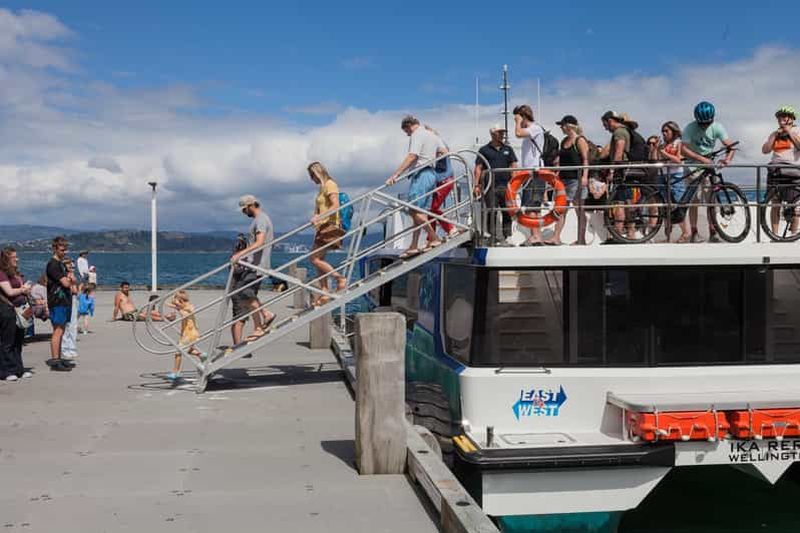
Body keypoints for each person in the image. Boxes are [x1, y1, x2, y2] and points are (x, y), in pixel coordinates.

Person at [385, 115, 443, 258]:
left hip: (421, 174)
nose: (407, 135)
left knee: (413, 210)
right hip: (431, 174)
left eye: (407, 131)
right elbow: (444, 151)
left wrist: (396, 175)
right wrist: (430, 156)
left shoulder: (417, 134)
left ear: (409, 126)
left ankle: (434, 237)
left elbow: (412, 156)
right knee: (420, 213)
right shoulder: (432, 135)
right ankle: (414, 244)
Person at [681, 101, 737, 242]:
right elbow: (683, 149)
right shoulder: (690, 127)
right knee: (693, 201)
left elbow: (731, 146)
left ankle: (713, 231)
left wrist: (727, 159)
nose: (704, 126)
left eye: (707, 123)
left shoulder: (717, 127)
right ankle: (694, 232)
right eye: (702, 123)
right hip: (692, 166)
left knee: (711, 200)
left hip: (708, 167)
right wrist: (701, 159)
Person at [230, 194, 276, 345]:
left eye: (244, 210)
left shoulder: (261, 219)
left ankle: (266, 314)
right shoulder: (259, 219)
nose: (244, 213)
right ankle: (258, 327)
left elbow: (259, 242)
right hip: (253, 264)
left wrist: (239, 254)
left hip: (257, 266)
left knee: (244, 292)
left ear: (251, 206)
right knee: (248, 295)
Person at [307, 162, 347, 307]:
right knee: (319, 261)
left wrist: (319, 216)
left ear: (318, 173)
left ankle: (339, 278)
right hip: (322, 227)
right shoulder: (322, 188)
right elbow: (321, 207)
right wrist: (316, 216)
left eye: (312, 175)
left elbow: (335, 205)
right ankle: (324, 291)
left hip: (329, 226)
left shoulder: (330, 184)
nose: (311, 179)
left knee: (314, 258)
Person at [474, 124, 519, 244]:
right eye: (500, 132)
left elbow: (514, 165)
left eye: (503, 133)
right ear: (493, 134)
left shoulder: (508, 149)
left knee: (507, 211)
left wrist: (515, 183)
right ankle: (492, 237)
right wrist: (476, 185)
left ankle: (507, 236)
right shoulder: (483, 150)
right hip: (490, 186)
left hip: (506, 185)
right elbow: (478, 168)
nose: (502, 135)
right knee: (491, 210)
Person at [761, 105, 800, 237]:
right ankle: (775, 235)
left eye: (784, 116)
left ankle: (793, 235)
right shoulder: (774, 133)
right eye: (779, 117)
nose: (781, 119)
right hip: (776, 171)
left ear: (791, 118)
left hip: (792, 171)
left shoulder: (797, 130)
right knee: (775, 203)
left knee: (794, 204)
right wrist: (774, 136)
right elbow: (765, 150)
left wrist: (789, 131)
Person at [553, 115, 590, 245]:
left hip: (576, 179)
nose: (561, 128)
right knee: (561, 210)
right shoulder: (564, 141)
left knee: (579, 210)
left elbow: (585, 159)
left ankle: (581, 239)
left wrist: (585, 177)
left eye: (562, 125)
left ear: (569, 126)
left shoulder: (580, 140)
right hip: (563, 180)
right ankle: (556, 237)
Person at [513, 104, 547, 246]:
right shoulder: (531, 130)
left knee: (532, 205)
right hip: (530, 173)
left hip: (535, 172)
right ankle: (536, 235)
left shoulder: (535, 128)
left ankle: (535, 236)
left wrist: (517, 121)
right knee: (533, 206)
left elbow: (518, 133)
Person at [598, 111, 633, 239]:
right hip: (625, 169)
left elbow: (619, 152)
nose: (605, 128)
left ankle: (618, 233)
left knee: (619, 202)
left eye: (605, 125)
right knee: (627, 201)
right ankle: (630, 232)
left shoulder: (619, 132)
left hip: (620, 170)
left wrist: (612, 171)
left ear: (610, 121)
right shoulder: (624, 131)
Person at [654, 121, 690, 243]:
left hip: (675, 175)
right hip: (663, 175)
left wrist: (663, 152)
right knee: (666, 205)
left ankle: (686, 232)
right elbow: (656, 159)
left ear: (673, 131)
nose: (664, 133)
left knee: (679, 204)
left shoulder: (678, 143)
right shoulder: (663, 145)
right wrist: (655, 149)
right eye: (663, 131)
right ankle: (668, 236)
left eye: (666, 131)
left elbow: (678, 160)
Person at [0, 247, 33, 381]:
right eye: (14, 257)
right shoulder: (2, 273)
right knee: (7, 341)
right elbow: (9, 292)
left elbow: (19, 288)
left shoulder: (15, 273)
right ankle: (6, 370)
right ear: (6, 259)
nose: (17, 259)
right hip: (7, 309)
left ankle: (18, 369)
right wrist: (23, 289)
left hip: (20, 309)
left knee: (18, 340)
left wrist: (26, 289)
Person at [45, 237, 74, 371]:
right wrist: (69, 278)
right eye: (62, 250)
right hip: (57, 302)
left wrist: (69, 278)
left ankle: (59, 357)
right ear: (55, 249)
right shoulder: (53, 265)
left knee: (61, 330)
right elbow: (66, 283)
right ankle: (55, 360)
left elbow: (69, 281)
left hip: (64, 301)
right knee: (58, 330)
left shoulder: (61, 264)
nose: (64, 252)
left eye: (65, 250)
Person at [425, 125, 458, 238]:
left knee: (432, 209)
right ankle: (431, 238)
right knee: (431, 210)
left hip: (445, 180)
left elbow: (444, 152)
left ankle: (450, 228)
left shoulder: (438, 144)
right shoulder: (436, 144)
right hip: (440, 181)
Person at [165, 290, 204, 381]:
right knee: (188, 350)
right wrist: (173, 300)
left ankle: (175, 372)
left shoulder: (188, 307)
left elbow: (188, 312)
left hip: (189, 334)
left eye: (176, 300)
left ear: (181, 300)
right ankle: (202, 355)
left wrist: (179, 307)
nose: (175, 302)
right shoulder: (182, 306)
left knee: (178, 352)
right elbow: (168, 304)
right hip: (190, 333)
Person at [60, 258, 80, 361]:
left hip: (73, 299)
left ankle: (72, 348)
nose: (71, 266)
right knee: (66, 325)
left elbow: (75, 290)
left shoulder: (72, 275)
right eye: (69, 264)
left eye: (72, 265)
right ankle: (64, 349)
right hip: (65, 299)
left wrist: (73, 281)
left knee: (73, 325)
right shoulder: (62, 276)